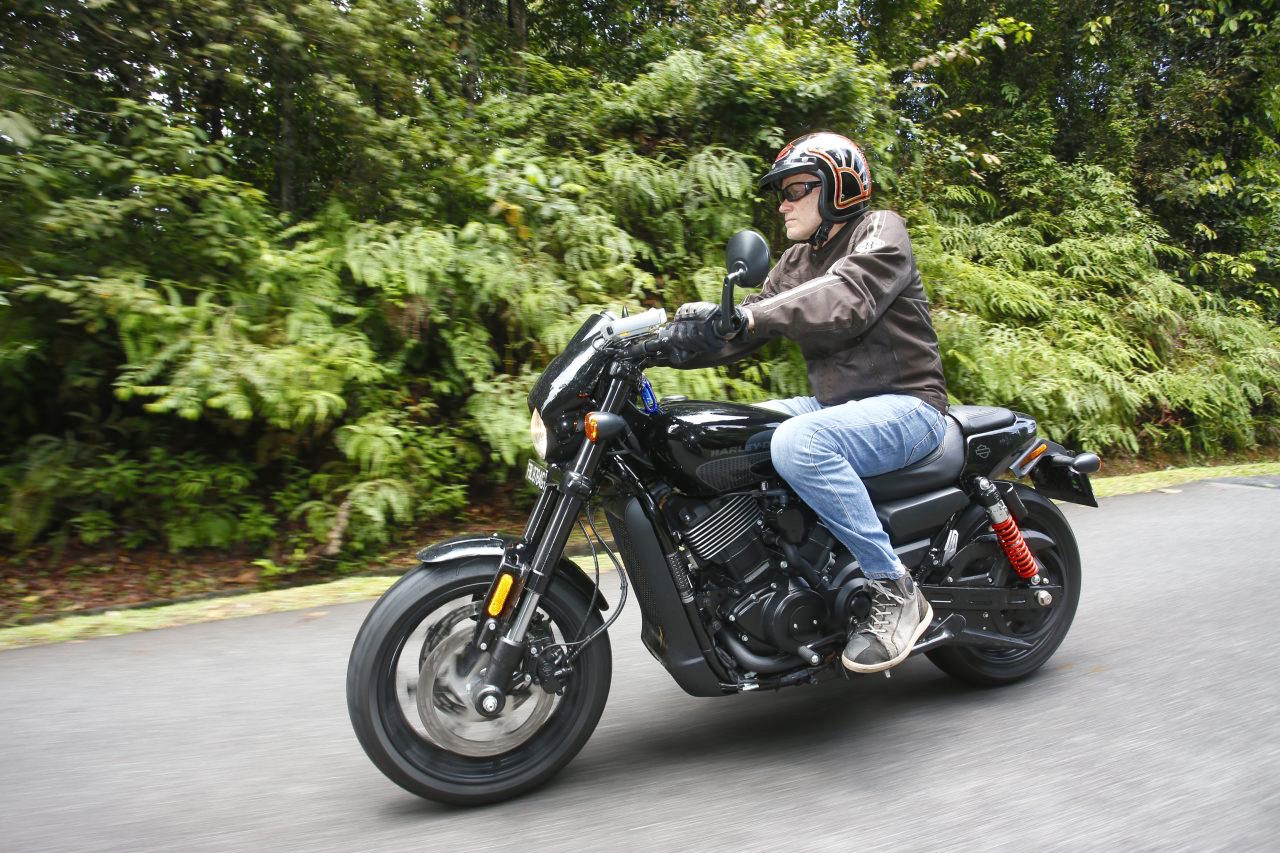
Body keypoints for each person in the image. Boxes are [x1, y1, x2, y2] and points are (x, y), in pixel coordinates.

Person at [668, 132, 949, 674]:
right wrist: (666, 340)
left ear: (839, 187)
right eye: (782, 192)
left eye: (797, 189)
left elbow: (844, 296)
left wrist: (747, 315)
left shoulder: (879, 231)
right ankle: (782, 570)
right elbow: (744, 324)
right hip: (837, 408)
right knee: (723, 432)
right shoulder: (796, 261)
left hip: (909, 406)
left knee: (798, 441)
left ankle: (895, 587)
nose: (783, 203)